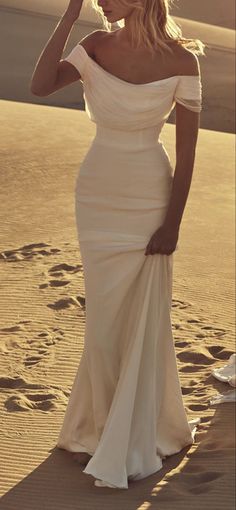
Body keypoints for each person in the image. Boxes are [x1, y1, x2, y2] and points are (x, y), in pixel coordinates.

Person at [30, 0, 204, 490]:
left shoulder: (181, 60)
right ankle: (97, 426)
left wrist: (173, 222)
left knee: (142, 311)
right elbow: (40, 86)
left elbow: (189, 152)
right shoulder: (94, 44)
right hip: (98, 192)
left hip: (148, 191)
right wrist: (67, 16)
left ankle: (138, 428)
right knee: (104, 318)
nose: (101, 0)